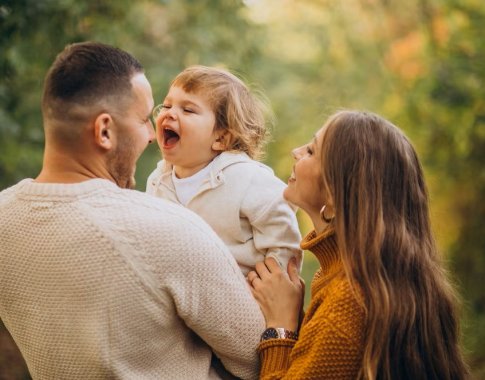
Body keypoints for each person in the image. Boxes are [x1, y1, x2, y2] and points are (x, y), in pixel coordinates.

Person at [0, 42, 265, 379]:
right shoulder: (170, 230)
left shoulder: (4, 217)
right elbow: (258, 360)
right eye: (144, 119)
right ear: (105, 131)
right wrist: (284, 323)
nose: (151, 135)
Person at [247, 110, 469, 379]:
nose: (296, 151)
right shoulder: (362, 278)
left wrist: (281, 327)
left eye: (311, 151)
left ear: (335, 191)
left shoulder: (346, 304)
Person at [146, 65, 302, 275]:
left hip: (240, 297)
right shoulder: (158, 181)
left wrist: (272, 283)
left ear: (221, 138)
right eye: (166, 106)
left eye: (188, 110)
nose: (170, 114)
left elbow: (282, 232)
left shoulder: (246, 178)